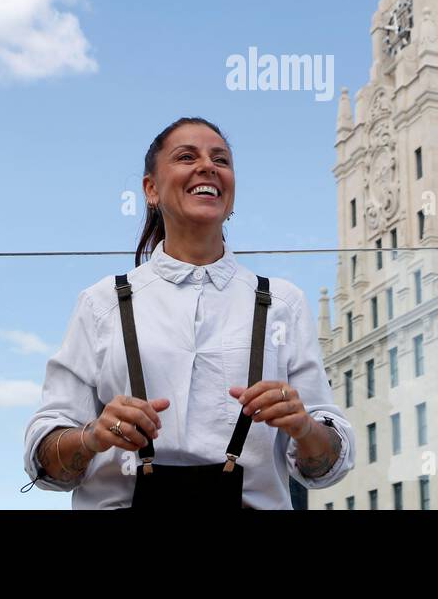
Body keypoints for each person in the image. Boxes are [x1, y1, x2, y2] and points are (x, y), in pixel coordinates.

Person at [22, 116, 354, 508]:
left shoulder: (283, 304)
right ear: (150, 189)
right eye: (186, 156)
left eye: (221, 160)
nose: (208, 166)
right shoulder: (102, 303)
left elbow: (328, 466)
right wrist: (92, 436)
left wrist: (304, 426)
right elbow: (44, 464)